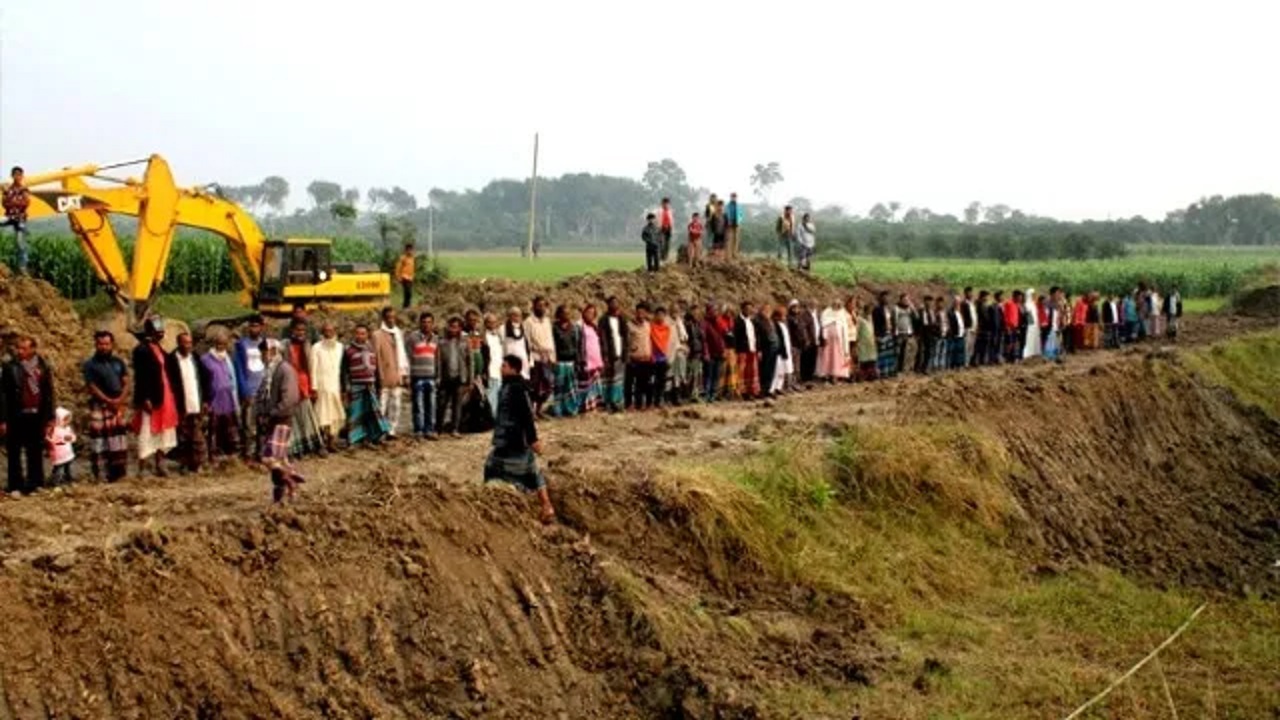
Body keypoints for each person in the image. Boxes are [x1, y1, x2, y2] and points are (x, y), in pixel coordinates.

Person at [484, 355, 555, 524]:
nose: (501, 369)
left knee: (496, 467)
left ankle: (544, 506)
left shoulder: (516, 388)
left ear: (513, 369)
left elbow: (526, 416)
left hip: (513, 439)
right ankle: (543, 505)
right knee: (527, 470)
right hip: (508, 439)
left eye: (504, 366)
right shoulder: (509, 387)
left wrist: (533, 439)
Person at [2, 337, 54, 493]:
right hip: (16, 414)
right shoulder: (10, 367)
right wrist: (3, 418)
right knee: (14, 450)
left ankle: (35, 483)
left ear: (33, 349)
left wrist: (49, 417)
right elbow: (3, 394)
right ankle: (15, 484)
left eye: (24, 348)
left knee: (35, 450)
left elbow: (48, 393)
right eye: (18, 348)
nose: (20, 351)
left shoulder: (42, 367)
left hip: (36, 414)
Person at [256, 339, 303, 503]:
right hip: (272, 420)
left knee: (269, 458)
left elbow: (290, 398)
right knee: (279, 460)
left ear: (274, 351)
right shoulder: (270, 371)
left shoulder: (284, 370)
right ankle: (284, 493)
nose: (262, 356)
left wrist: (273, 413)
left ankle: (291, 481)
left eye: (265, 352)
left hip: (281, 419)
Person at [132, 318, 179, 477]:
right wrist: (145, 397)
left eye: (161, 329)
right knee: (147, 431)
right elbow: (141, 377)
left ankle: (160, 463)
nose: (161, 332)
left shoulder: (159, 348)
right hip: (151, 397)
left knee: (164, 431)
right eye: (157, 330)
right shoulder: (141, 351)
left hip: (165, 396)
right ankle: (143, 467)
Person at [82, 330, 130, 482]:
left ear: (112, 345)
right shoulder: (90, 365)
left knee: (118, 440)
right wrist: (109, 401)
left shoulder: (118, 362)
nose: (104, 347)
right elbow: (92, 387)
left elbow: (127, 381)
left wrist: (120, 400)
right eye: (100, 344)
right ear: (96, 345)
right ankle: (101, 474)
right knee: (100, 441)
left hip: (118, 405)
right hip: (100, 405)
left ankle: (118, 474)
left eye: (107, 344)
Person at [342, 324, 392, 447]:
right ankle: (353, 440)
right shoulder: (348, 350)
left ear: (367, 335)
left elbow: (376, 369)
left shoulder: (371, 349)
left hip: (370, 385)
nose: (360, 336)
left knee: (371, 412)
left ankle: (369, 438)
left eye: (363, 333)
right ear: (354, 334)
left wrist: (378, 384)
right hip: (356, 386)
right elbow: (344, 371)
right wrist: (346, 387)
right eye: (358, 333)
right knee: (355, 413)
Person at [284, 320, 326, 457]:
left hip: (306, 384)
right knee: (294, 419)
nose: (300, 333)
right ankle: (297, 449)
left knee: (309, 417)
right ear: (292, 331)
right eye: (298, 330)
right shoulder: (286, 346)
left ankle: (315, 445)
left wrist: (313, 387)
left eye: (303, 331)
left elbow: (312, 367)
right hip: (291, 385)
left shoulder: (308, 345)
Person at [167, 332, 207, 473]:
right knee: (183, 436)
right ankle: (183, 464)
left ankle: (197, 463)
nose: (188, 346)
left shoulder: (195, 358)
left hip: (196, 402)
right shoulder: (171, 360)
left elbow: (203, 379)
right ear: (178, 343)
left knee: (197, 436)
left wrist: (205, 400)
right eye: (185, 343)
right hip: (180, 404)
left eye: (189, 343)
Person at [200, 332, 241, 461]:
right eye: (218, 343)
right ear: (213, 344)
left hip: (227, 399)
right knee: (213, 427)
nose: (220, 346)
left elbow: (232, 378)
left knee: (228, 427)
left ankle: (228, 453)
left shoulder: (226, 358)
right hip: (214, 399)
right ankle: (212, 455)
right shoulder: (206, 359)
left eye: (223, 344)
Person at [234, 315, 267, 460]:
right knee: (249, 425)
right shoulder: (241, 345)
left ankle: (261, 453)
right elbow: (239, 369)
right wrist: (244, 390)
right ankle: (248, 454)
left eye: (257, 326)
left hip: (263, 390)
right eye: (251, 326)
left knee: (263, 424)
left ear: (262, 327)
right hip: (250, 390)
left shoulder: (265, 343)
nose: (254, 329)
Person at [373, 307, 409, 438]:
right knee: (382, 405)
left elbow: (402, 355)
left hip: (397, 374)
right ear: (384, 318)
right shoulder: (377, 335)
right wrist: (379, 376)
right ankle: (380, 431)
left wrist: (404, 373)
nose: (391, 320)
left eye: (393, 317)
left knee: (396, 404)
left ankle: (391, 430)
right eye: (389, 317)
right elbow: (376, 356)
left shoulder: (399, 333)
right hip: (385, 375)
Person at [309, 322, 345, 452]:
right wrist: (314, 388)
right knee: (321, 416)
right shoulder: (316, 347)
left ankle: (331, 442)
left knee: (335, 416)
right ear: (322, 332)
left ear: (335, 331)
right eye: (326, 330)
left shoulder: (340, 347)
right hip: (322, 387)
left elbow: (342, 370)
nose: (328, 332)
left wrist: (343, 389)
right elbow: (313, 369)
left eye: (331, 330)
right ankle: (321, 444)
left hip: (335, 387)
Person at [435, 316, 473, 435]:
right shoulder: (441, 341)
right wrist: (438, 377)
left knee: (457, 405)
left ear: (460, 328)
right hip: (446, 377)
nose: (453, 329)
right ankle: (438, 428)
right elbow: (439, 361)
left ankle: (455, 428)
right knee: (442, 403)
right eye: (451, 326)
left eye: (456, 327)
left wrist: (470, 380)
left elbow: (470, 361)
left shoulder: (465, 341)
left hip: (460, 376)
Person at [404, 311, 439, 439]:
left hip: (431, 376)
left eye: (429, 322)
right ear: (420, 323)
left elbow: (437, 359)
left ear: (433, 324)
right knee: (418, 405)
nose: (426, 325)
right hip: (417, 375)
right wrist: (407, 375)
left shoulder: (436, 339)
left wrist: (438, 375)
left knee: (431, 405)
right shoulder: (412, 338)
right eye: (424, 322)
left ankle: (429, 430)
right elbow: (406, 357)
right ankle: (418, 430)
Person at [523, 296, 557, 415]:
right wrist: (536, 352)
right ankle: (532, 411)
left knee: (548, 385)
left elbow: (550, 339)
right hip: (536, 357)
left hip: (548, 357)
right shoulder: (528, 322)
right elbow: (527, 341)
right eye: (539, 305)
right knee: (535, 385)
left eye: (543, 305)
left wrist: (553, 356)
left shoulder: (547, 321)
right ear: (534, 306)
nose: (541, 308)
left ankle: (539, 409)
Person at [549, 305, 581, 417]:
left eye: (568, 313)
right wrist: (554, 360)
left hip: (571, 362)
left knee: (570, 387)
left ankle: (571, 409)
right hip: (560, 362)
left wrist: (577, 360)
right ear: (559, 315)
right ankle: (558, 411)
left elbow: (576, 345)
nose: (567, 315)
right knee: (559, 387)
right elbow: (553, 345)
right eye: (564, 313)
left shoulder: (573, 328)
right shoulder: (554, 328)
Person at [1, 166, 31, 274]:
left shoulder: (24, 189)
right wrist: (8, 196)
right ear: (12, 176)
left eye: (19, 175)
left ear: (22, 176)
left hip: (20, 219)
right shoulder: (8, 189)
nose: (17, 177)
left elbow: (26, 203)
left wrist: (11, 200)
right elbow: (4, 204)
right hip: (9, 216)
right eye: (15, 174)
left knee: (20, 243)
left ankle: (23, 268)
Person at [600, 297, 628, 412]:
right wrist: (605, 355)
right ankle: (607, 403)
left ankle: (617, 403)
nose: (615, 305)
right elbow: (603, 338)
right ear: (608, 305)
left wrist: (625, 352)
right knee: (609, 380)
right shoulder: (604, 320)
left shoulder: (621, 319)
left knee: (619, 380)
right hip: (609, 354)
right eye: (612, 303)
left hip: (620, 353)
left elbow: (625, 336)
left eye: (616, 303)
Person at [625, 303, 653, 410]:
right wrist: (628, 355)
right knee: (631, 383)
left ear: (646, 313)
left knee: (643, 383)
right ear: (636, 312)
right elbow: (626, 342)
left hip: (646, 358)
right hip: (634, 359)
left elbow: (649, 340)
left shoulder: (647, 325)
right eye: (639, 312)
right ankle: (629, 404)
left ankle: (640, 404)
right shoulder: (629, 325)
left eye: (643, 312)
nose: (641, 314)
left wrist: (650, 354)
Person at [578, 304, 606, 413]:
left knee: (595, 386)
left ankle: (593, 406)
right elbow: (579, 344)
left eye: (593, 313)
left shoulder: (594, 327)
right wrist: (581, 360)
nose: (590, 315)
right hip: (586, 361)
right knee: (585, 386)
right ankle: (584, 407)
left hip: (595, 361)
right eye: (588, 312)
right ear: (583, 313)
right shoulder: (579, 326)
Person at [734, 301, 761, 400]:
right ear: (742, 309)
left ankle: (752, 391)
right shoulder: (738, 321)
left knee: (752, 371)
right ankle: (742, 392)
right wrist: (736, 349)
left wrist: (758, 348)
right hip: (742, 350)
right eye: (747, 309)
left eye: (751, 309)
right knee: (742, 371)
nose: (749, 310)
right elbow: (736, 337)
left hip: (752, 349)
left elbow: (756, 336)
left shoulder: (752, 321)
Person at [818, 299, 850, 381]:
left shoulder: (842, 313)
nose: (837, 305)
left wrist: (845, 341)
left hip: (838, 341)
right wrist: (824, 337)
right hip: (828, 341)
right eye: (835, 304)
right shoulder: (826, 312)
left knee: (836, 358)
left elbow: (844, 328)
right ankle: (826, 374)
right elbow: (824, 325)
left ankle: (835, 375)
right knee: (827, 357)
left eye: (838, 304)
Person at [700, 303, 726, 401]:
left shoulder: (718, 322)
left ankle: (713, 394)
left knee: (716, 374)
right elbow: (704, 340)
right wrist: (706, 353)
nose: (715, 312)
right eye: (713, 310)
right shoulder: (704, 323)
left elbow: (723, 334)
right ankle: (707, 394)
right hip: (710, 353)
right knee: (708, 375)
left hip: (719, 352)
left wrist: (723, 350)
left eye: (716, 310)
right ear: (708, 312)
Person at [46, 407, 76, 487]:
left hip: (67, 453)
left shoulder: (67, 428)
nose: (67, 422)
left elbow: (72, 437)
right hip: (59, 454)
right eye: (65, 420)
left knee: (69, 468)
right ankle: (56, 483)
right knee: (59, 470)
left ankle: (69, 480)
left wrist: (71, 438)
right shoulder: (55, 430)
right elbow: (52, 439)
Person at [649, 306, 672, 408]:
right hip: (653, 358)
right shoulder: (651, 327)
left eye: (662, 315)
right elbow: (649, 342)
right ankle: (651, 401)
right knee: (652, 381)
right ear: (655, 316)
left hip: (663, 358)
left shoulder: (666, 329)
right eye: (658, 315)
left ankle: (659, 401)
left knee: (662, 381)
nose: (660, 317)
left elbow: (667, 343)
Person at [483, 313, 505, 415]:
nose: (492, 324)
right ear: (486, 323)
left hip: (499, 370)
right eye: (490, 322)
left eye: (494, 322)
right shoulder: (484, 337)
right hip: (490, 371)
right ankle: (492, 418)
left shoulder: (498, 337)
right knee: (491, 396)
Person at [683, 306, 704, 403]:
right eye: (694, 313)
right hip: (691, 353)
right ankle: (688, 395)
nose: (696, 315)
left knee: (697, 374)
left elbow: (701, 338)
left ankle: (695, 394)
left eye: (698, 313)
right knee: (690, 375)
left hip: (698, 352)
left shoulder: (698, 324)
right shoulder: (687, 324)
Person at [502, 307, 530, 379]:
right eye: (514, 315)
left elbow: (527, 345)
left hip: (522, 359)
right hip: (510, 360)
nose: (516, 317)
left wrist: (530, 360)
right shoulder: (503, 328)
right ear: (510, 316)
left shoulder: (524, 328)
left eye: (518, 315)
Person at [771, 306, 794, 394]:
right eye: (783, 316)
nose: (784, 317)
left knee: (783, 371)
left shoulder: (783, 325)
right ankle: (773, 388)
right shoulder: (775, 325)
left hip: (786, 350)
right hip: (779, 351)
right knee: (777, 371)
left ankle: (779, 387)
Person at [894, 294, 915, 377]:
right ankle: (896, 370)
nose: (906, 301)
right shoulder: (896, 308)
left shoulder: (909, 309)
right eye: (905, 299)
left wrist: (913, 307)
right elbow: (894, 320)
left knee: (905, 353)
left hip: (907, 333)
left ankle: (903, 369)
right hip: (899, 333)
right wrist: (896, 332)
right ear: (901, 300)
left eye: (907, 300)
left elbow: (916, 317)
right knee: (898, 353)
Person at [856, 305, 879, 381]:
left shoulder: (871, 319)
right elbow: (857, 331)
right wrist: (857, 341)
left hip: (870, 342)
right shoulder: (860, 319)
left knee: (871, 360)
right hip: (863, 342)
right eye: (868, 311)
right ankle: (862, 376)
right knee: (863, 360)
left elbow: (872, 330)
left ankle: (871, 376)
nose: (869, 312)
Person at [972, 290, 991, 367]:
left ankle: (981, 360)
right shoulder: (979, 304)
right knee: (978, 345)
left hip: (984, 328)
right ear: (982, 296)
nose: (987, 298)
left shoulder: (984, 305)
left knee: (983, 345)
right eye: (986, 296)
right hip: (981, 327)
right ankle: (975, 360)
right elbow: (982, 317)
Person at [394, 244, 416, 310]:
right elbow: (398, 268)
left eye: (411, 250)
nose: (410, 252)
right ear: (406, 250)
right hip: (404, 277)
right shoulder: (403, 258)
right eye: (408, 250)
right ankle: (406, 306)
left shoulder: (412, 258)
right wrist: (398, 277)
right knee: (408, 292)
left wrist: (413, 275)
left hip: (410, 278)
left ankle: (406, 305)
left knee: (409, 293)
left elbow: (412, 268)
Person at [1022, 289, 1041, 359]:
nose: (1034, 296)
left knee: (1035, 338)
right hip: (1030, 325)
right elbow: (1029, 316)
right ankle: (1028, 353)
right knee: (1029, 339)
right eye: (1033, 295)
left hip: (1035, 325)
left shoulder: (1033, 304)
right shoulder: (1027, 304)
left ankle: (1035, 352)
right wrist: (1031, 324)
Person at [726, 192, 742, 259]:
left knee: (736, 239)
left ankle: (735, 254)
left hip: (737, 223)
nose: (734, 198)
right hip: (730, 223)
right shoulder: (728, 206)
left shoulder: (738, 205)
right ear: (730, 197)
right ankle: (729, 254)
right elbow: (726, 214)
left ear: (736, 198)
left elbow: (741, 214)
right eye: (732, 197)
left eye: (735, 197)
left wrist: (739, 221)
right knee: (730, 239)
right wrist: (728, 221)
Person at [659, 197, 675, 263]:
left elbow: (672, 221)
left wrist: (672, 228)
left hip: (668, 228)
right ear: (662, 204)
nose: (666, 205)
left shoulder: (670, 211)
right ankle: (661, 258)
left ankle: (666, 258)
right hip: (661, 228)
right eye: (664, 203)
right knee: (661, 243)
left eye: (667, 204)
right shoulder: (659, 211)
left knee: (667, 244)